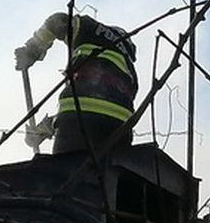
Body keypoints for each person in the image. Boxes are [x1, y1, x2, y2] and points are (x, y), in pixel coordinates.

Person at [14, 13, 138, 155]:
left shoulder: (91, 29)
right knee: (103, 175)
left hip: (76, 123)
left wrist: (31, 51)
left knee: (66, 171)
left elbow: (56, 21)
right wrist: (45, 128)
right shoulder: (130, 74)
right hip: (120, 130)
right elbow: (102, 108)